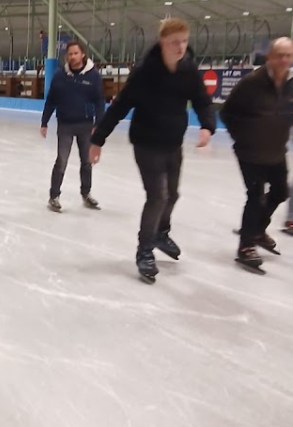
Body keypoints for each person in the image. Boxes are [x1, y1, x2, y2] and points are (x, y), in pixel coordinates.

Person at [89, 18, 215, 283]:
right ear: (162, 43)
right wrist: (98, 139)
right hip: (146, 143)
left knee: (173, 195)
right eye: (174, 42)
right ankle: (144, 250)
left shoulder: (189, 70)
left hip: (173, 143)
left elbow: (202, 101)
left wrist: (207, 126)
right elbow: (120, 106)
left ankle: (160, 233)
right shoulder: (146, 72)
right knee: (158, 196)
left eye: (184, 41)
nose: (180, 47)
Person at [220, 38, 293, 271]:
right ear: (270, 57)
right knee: (255, 196)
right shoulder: (252, 82)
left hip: (276, 150)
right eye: (279, 55)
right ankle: (246, 245)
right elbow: (227, 113)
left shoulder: (290, 84)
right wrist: (243, 138)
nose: (284, 60)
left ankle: (257, 230)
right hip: (250, 151)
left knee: (281, 191)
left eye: (288, 55)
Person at [40, 40, 105, 212]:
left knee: (86, 161)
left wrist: (98, 124)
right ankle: (54, 196)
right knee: (61, 160)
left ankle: (86, 193)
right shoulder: (60, 75)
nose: (73, 56)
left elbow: (99, 101)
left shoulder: (93, 76)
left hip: (85, 124)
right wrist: (44, 121)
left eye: (76, 53)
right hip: (65, 125)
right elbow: (51, 99)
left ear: (83, 54)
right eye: (70, 54)